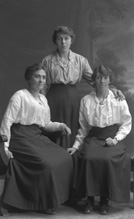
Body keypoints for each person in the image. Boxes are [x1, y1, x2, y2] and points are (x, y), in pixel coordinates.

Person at [0, 63, 73, 215]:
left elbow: (45, 123)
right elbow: (7, 121)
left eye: (44, 77)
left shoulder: (43, 99)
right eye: (37, 76)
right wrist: (4, 148)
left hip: (36, 136)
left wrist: (60, 126)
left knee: (65, 157)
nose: (41, 80)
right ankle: (41, 203)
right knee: (46, 163)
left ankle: (52, 199)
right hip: (20, 138)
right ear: (29, 78)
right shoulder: (19, 96)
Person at [41, 25, 124, 150]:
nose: (63, 42)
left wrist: (112, 89)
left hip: (74, 99)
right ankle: (57, 160)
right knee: (55, 129)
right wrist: (41, 103)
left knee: (74, 127)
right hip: (54, 98)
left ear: (71, 40)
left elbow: (94, 80)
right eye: (59, 39)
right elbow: (42, 85)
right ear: (55, 41)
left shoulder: (80, 60)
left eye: (66, 38)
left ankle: (73, 158)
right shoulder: (47, 61)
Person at [68, 65, 132, 215]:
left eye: (105, 78)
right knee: (89, 158)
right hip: (94, 137)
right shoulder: (86, 100)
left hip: (112, 137)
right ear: (94, 80)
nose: (102, 81)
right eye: (98, 77)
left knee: (108, 159)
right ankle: (90, 199)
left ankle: (104, 201)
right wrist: (76, 146)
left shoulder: (118, 99)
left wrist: (116, 139)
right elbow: (83, 128)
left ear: (110, 80)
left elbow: (126, 123)